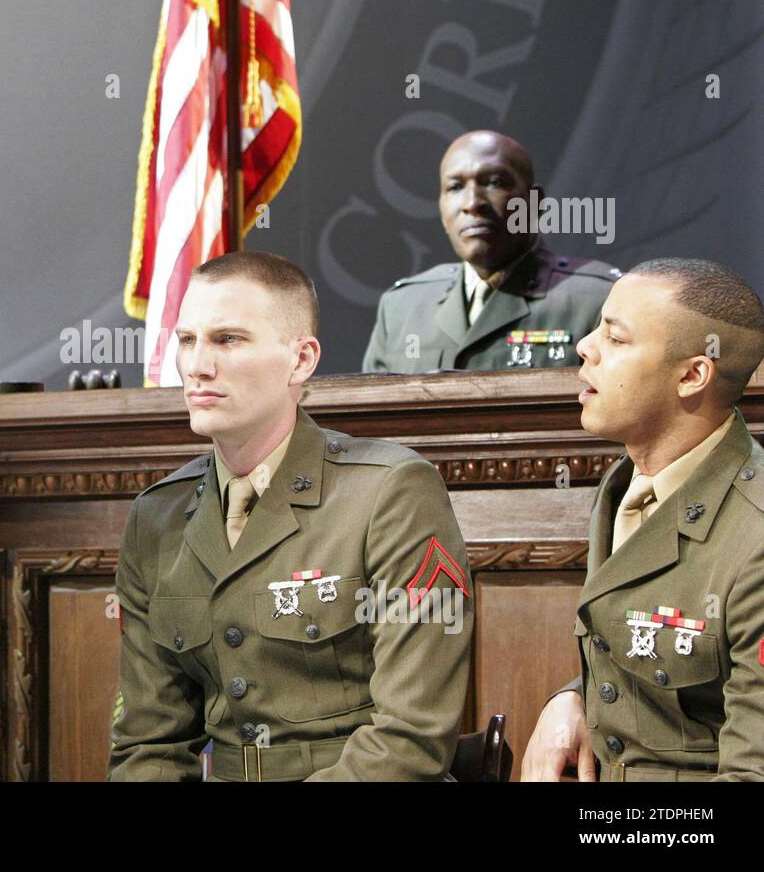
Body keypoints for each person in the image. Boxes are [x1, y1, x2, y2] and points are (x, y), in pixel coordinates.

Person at [109, 251, 472, 781]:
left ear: (301, 360)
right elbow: (147, 745)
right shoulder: (157, 517)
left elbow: (410, 738)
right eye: (188, 339)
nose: (197, 365)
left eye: (228, 339)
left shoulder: (390, 492)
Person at [521, 259, 764, 782]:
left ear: (693, 374)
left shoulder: (755, 532)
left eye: (616, 338)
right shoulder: (625, 485)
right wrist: (569, 698)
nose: (585, 347)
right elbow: (637, 650)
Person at [362, 130, 619, 373]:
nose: (472, 203)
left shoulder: (596, 301)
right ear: (441, 209)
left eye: (495, 183)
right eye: (455, 187)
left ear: (534, 203)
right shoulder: (401, 308)